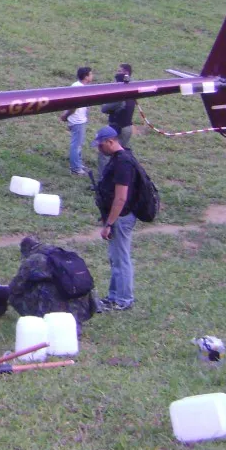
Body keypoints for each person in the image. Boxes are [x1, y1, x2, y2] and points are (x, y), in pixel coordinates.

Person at [92, 126, 139, 311]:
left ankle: (124, 300)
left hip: (121, 218)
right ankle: (114, 296)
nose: (99, 149)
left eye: (101, 145)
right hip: (119, 217)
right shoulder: (120, 159)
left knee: (121, 259)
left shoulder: (122, 163)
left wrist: (109, 223)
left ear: (111, 141)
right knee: (115, 258)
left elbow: (120, 198)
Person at [8, 236, 98, 326]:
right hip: (83, 309)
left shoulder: (34, 259)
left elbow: (15, 287)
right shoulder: (65, 253)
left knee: (17, 294)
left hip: (55, 312)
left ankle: (37, 319)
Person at [98, 64, 135, 175]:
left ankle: (103, 181)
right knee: (121, 155)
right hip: (126, 127)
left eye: (119, 71)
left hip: (118, 128)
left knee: (105, 154)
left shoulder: (120, 95)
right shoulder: (133, 88)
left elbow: (104, 108)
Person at [59, 66, 93, 175]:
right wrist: (66, 115)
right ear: (86, 76)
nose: (92, 76)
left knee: (78, 144)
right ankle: (76, 169)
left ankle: (78, 164)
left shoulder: (80, 86)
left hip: (79, 120)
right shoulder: (77, 87)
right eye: (91, 74)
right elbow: (72, 106)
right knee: (76, 145)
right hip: (77, 121)